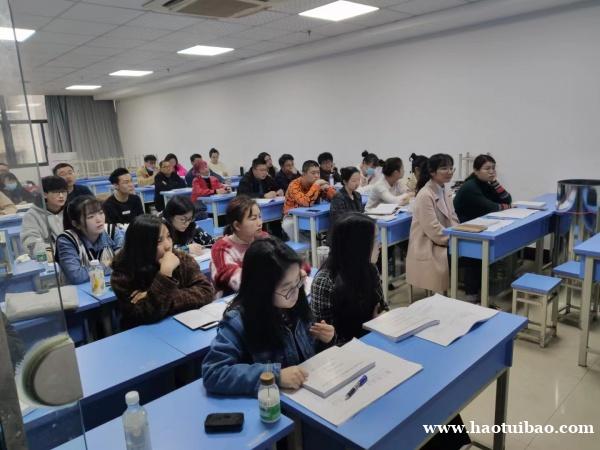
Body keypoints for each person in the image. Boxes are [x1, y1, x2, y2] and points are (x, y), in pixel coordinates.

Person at [202, 237, 335, 396]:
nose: (296, 292)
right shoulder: (238, 321)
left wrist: (325, 341)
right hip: (274, 402)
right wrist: (274, 376)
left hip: (307, 393)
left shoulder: (295, 306)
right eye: (286, 288)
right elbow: (213, 372)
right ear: (261, 289)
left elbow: (307, 355)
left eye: (298, 282)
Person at [111, 214, 214, 329]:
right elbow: (146, 313)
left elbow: (206, 291)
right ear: (141, 245)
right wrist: (165, 274)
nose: (168, 245)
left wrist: (159, 296)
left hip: (183, 326)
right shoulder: (123, 273)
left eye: (169, 236)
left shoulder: (182, 259)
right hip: (145, 333)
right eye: (158, 241)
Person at [312, 213, 386, 344]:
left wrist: (382, 317)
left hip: (373, 339)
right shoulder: (325, 282)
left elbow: (381, 307)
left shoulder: (370, 268)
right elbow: (322, 338)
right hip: (342, 350)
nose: (380, 245)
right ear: (358, 245)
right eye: (374, 240)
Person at [453, 154, 512, 302]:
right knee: (475, 257)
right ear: (476, 170)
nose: (491, 171)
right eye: (487, 168)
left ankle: (481, 290)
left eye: (493, 168)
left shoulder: (486, 183)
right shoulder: (470, 186)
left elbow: (507, 198)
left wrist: (495, 183)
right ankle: (471, 294)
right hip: (464, 229)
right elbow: (491, 207)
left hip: (480, 225)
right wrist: (507, 207)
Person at [406, 154, 459, 294]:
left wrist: (458, 233)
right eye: (444, 168)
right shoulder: (425, 194)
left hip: (445, 238)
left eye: (451, 168)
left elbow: (453, 217)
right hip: (428, 243)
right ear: (432, 172)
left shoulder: (445, 189)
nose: (449, 172)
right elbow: (433, 228)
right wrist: (453, 240)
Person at [56, 196, 124, 285]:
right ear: (76, 224)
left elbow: (126, 262)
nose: (99, 219)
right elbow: (76, 276)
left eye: (101, 213)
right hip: (78, 292)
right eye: (90, 217)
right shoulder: (67, 240)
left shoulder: (112, 231)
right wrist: (112, 265)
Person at [211, 196, 268, 296]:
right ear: (237, 225)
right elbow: (236, 280)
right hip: (231, 298)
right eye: (253, 219)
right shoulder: (221, 248)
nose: (260, 223)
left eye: (259, 217)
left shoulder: (264, 238)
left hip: (262, 292)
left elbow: (284, 260)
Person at [282, 160, 336, 240]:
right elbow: (306, 202)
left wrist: (328, 188)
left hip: (311, 215)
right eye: (313, 173)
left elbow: (336, 198)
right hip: (292, 218)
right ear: (303, 174)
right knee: (289, 225)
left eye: (318, 173)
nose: (317, 176)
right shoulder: (294, 185)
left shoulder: (317, 183)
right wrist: (316, 185)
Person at [20, 176, 67, 258]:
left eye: (63, 192)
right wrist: (56, 253)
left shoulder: (71, 210)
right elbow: (30, 243)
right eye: (56, 192)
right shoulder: (32, 215)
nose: (61, 195)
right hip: (49, 259)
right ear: (45, 194)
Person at [329, 167, 364, 239]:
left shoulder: (357, 195)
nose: (357, 183)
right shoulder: (338, 197)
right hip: (341, 235)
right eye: (354, 181)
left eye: (358, 180)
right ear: (345, 181)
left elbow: (361, 214)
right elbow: (340, 221)